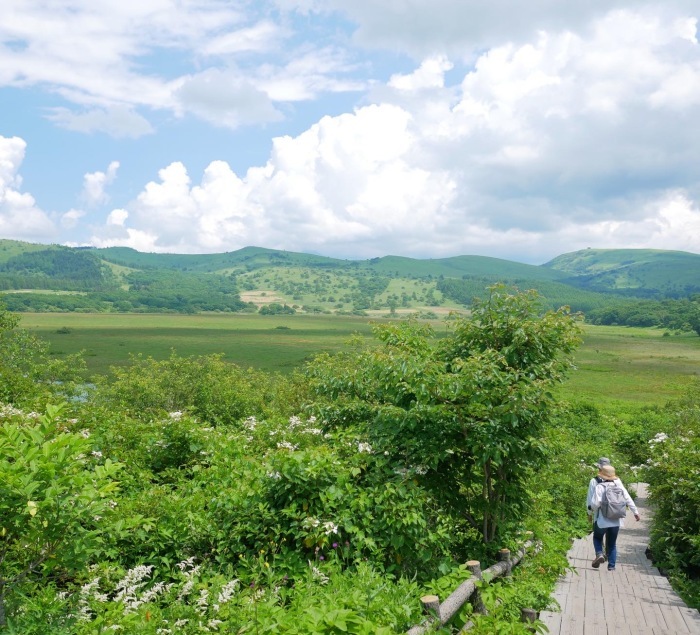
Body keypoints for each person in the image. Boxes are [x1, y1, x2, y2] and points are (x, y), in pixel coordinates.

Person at [589, 464, 640, 571]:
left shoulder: (600, 487)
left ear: (602, 476)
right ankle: (611, 566)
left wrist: (590, 509)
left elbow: (595, 503)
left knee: (597, 537)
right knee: (612, 544)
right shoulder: (619, 487)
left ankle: (599, 554)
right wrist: (635, 512)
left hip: (602, 521)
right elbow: (628, 499)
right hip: (616, 521)